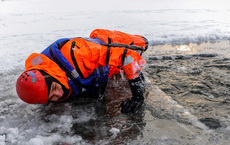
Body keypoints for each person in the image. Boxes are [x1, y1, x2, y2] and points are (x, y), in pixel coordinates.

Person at [16, 29, 148, 113]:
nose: (59, 93)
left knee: (142, 45)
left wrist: (138, 95)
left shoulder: (78, 56)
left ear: (50, 74)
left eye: (55, 87)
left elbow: (128, 56)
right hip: (93, 62)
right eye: (52, 97)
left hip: (103, 44)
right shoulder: (39, 79)